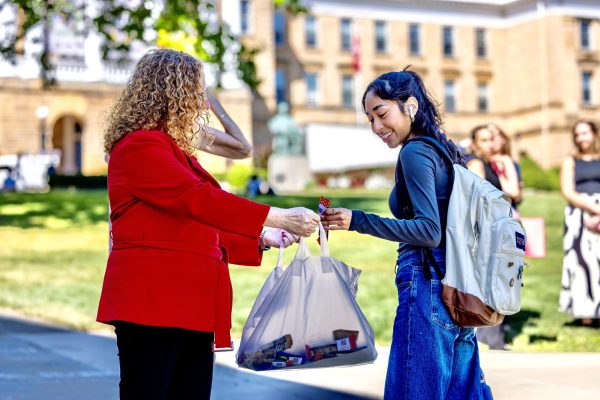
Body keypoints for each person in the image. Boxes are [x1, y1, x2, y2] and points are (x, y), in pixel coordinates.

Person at [96, 49, 320, 400]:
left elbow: (192, 222)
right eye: (198, 93)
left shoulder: (174, 149)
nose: (202, 105)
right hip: (153, 301)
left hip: (188, 302)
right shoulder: (139, 146)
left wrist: (260, 237)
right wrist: (275, 214)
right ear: (174, 94)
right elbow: (197, 199)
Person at [321, 69, 493, 399]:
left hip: (427, 279)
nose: (376, 127)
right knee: (462, 390)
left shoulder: (415, 152)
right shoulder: (446, 150)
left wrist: (357, 219)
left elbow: (428, 231)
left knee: (416, 390)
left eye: (381, 113)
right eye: (370, 119)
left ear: (410, 105)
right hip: (458, 285)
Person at [558, 120, 600, 327]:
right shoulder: (570, 160)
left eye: (585, 133)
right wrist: (594, 208)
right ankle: (585, 313)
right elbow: (568, 190)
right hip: (579, 215)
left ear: (594, 134)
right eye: (577, 134)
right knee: (582, 263)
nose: (581, 138)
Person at [468, 125, 522, 208]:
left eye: (491, 139)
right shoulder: (476, 164)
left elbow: (515, 195)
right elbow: (480, 198)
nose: (490, 144)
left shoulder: (488, 163)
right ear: (473, 145)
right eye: (484, 140)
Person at [488, 123, 524, 208]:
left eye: (494, 135)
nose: (491, 139)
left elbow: (517, 196)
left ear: (503, 139)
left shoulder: (512, 163)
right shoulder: (482, 163)